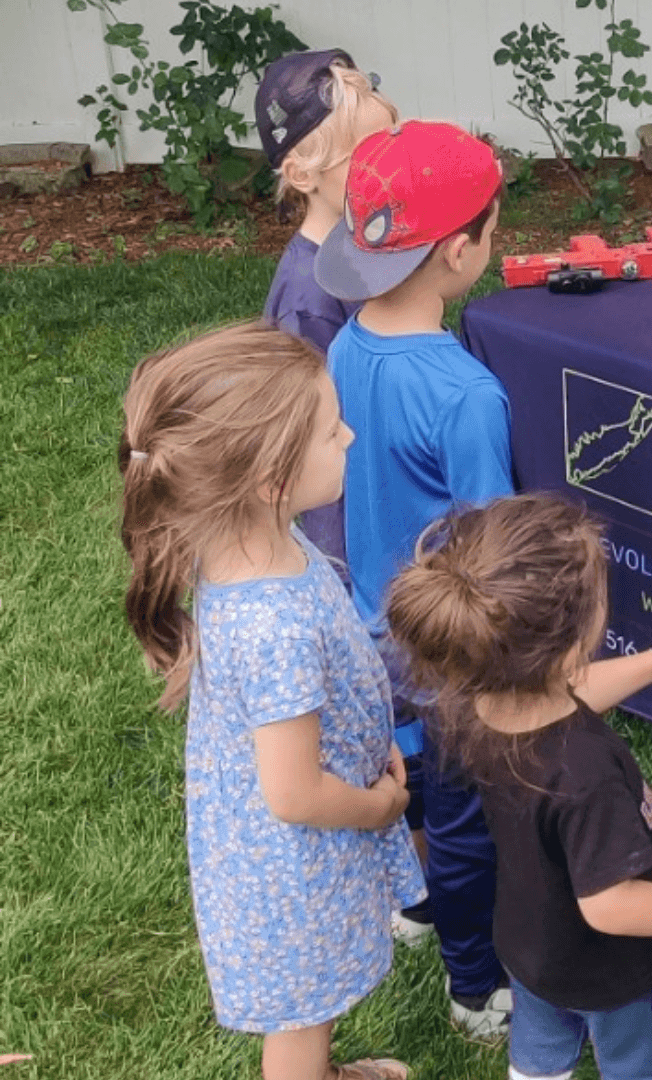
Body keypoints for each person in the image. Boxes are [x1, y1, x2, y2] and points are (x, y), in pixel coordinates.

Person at [117, 322, 425, 1080]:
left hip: (275, 848)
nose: (349, 434)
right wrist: (381, 808)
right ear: (267, 479)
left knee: (307, 1004)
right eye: (330, 429)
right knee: (301, 1014)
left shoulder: (248, 539)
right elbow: (292, 793)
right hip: (291, 866)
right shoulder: (274, 623)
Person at [386, 493, 652, 1080]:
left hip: (530, 949)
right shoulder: (584, 773)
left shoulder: (478, 704)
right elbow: (610, 903)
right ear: (569, 646)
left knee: (540, 1052)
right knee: (637, 1064)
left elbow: (568, 694)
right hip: (614, 975)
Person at [313, 120, 515, 1038]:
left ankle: (418, 903)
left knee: (415, 777)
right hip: (448, 649)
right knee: (469, 817)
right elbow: (491, 547)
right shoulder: (467, 392)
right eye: (493, 227)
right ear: (460, 249)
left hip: (374, 627)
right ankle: (473, 984)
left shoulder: (351, 340)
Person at [254, 48, 398, 579]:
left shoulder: (362, 247)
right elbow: (304, 441)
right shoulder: (306, 299)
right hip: (347, 520)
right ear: (301, 174)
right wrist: (337, 569)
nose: (385, 168)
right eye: (364, 157)